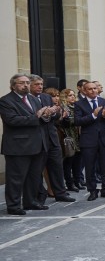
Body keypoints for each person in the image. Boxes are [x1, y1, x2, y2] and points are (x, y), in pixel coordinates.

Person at [0, 74, 50, 215]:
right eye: (21, 83)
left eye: (27, 82)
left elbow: (40, 119)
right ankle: (14, 206)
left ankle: (30, 202)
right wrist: (36, 117)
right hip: (18, 146)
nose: (26, 85)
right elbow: (12, 120)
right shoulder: (6, 101)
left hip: (37, 144)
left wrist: (47, 115)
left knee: (33, 177)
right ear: (13, 85)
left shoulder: (33, 99)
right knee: (16, 178)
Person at [30, 75, 74, 204]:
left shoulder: (46, 97)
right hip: (37, 139)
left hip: (52, 137)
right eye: (36, 84)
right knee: (37, 169)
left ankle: (60, 193)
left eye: (41, 84)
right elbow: (33, 117)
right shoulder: (28, 99)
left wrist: (55, 112)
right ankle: (39, 195)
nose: (40, 86)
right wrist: (45, 114)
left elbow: (56, 116)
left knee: (56, 166)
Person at [74, 80, 105, 201]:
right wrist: (93, 115)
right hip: (88, 140)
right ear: (84, 91)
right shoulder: (79, 104)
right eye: (90, 89)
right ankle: (92, 191)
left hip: (104, 139)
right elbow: (77, 121)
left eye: (95, 88)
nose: (93, 90)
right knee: (90, 166)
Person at [57, 89, 82, 192]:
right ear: (64, 97)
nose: (73, 97)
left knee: (77, 162)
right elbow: (65, 123)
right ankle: (70, 184)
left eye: (73, 95)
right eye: (70, 95)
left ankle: (77, 181)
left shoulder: (77, 107)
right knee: (68, 162)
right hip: (68, 137)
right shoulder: (63, 108)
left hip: (78, 137)